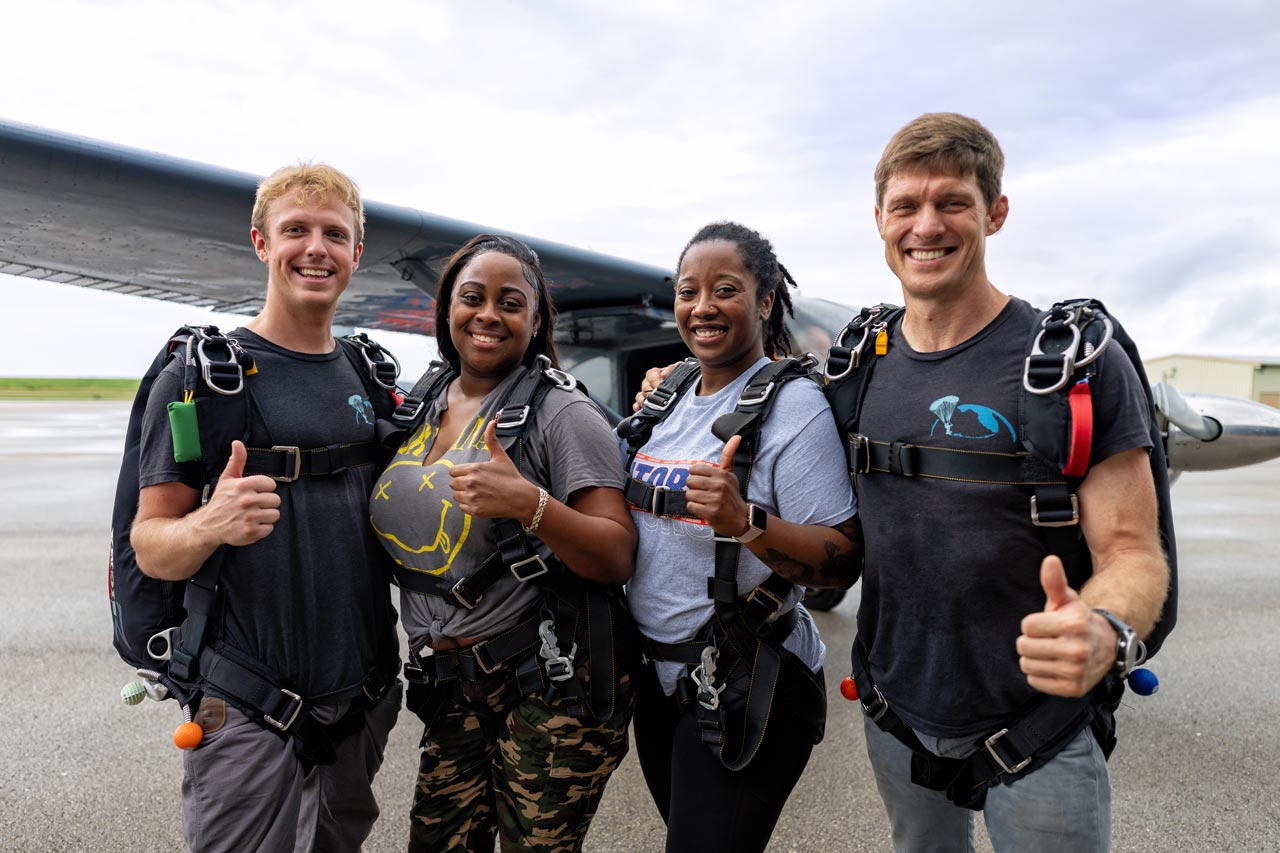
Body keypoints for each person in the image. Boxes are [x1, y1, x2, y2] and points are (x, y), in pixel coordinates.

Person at [848, 113, 1170, 850]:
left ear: (994, 212)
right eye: (906, 205)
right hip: (896, 713)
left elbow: (1132, 549)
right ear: (879, 220)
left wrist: (1101, 625)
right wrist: (669, 379)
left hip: (1040, 727)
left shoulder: (1072, 366)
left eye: (952, 201)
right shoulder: (858, 367)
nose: (926, 225)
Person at [130, 164, 403, 852]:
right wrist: (209, 523)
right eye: (296, 231)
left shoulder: (368, 375)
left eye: (334, 234)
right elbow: (150, 542)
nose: (317, 248)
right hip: (249, 705)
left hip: (358, 703)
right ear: (260, 242)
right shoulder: (200, 379)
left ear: (356, 253)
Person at [368, 234, 638, 852]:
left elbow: (617, 552)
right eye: (473, 298)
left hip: (550, 679)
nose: (488, 314)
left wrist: (529, 504)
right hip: (452, 681)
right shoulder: (425, 400)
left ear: (536, 320)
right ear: (447, 311)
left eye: (511, 303)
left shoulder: (562, 414)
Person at [623, 222, 862, 853]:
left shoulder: (795, 407)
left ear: (764, 301)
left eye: (724, 289)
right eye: (687, 290)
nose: (701, 306)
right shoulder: (667, 394)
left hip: (747, 679)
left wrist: (745, 523)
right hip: (663, 684)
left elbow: (840, 561)